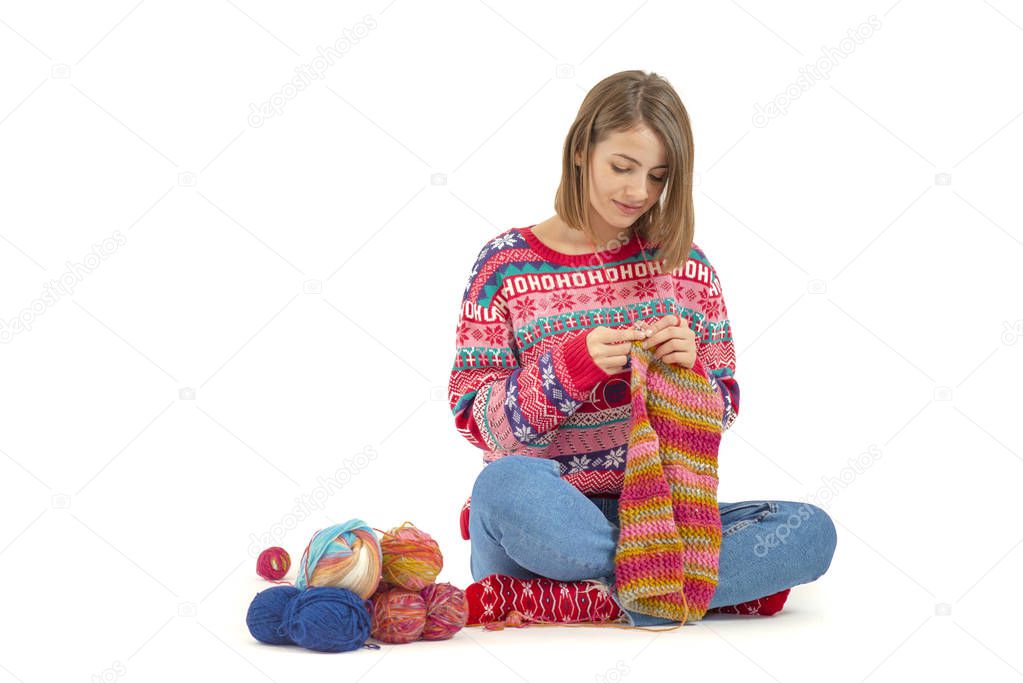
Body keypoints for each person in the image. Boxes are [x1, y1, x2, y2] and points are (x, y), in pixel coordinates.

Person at [446, 69, 836, 628]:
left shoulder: (687, 268)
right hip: (550, 514)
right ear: (581, 150)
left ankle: (576, 599)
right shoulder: (503, 267)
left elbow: (723, 409)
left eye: (657, 176)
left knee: (810, 531)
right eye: (621, 168)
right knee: (502, 486)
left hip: (662, 510)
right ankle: (696, 591)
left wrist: (692, 375)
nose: (637, 193)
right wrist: (567, 369)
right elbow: (473, 421)